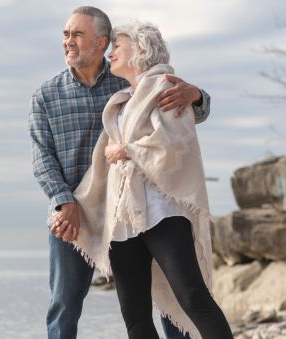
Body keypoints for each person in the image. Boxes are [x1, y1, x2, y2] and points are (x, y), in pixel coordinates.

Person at [28, 6, 210, 339]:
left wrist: (196, 94)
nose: (68, 41)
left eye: (77, 34)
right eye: (66, 34)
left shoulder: (129, 80)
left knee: (171, 301)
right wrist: (63, 201)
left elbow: (182, 117)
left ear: (101, 42)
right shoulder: (45, 96)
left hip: (133, 210)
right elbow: (42, 159)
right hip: (74, 212)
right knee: (64, 306)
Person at [66, 19, 233, 338]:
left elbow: (177, 143)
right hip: (124, 221)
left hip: (163, 213)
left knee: (194, 298)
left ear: (140, 49)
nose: (111, 52)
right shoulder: (123, 100)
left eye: (118, 46)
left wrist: (126, 150)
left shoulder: (166, 87)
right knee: (135, 317)